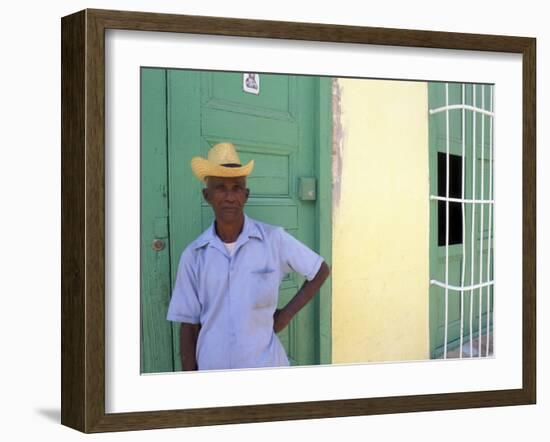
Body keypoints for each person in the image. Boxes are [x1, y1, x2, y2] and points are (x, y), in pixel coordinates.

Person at [166, 142, 330, 371]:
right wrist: (192, 385)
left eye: (237, 188)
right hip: (213, 374)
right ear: (207, 195)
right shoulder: (194, 255)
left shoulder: (274, 240)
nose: (230, 196)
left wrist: (285, 315)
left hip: (265, 369)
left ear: (246, 195)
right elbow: (188, 326)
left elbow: (320, 270)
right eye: (221, 187)